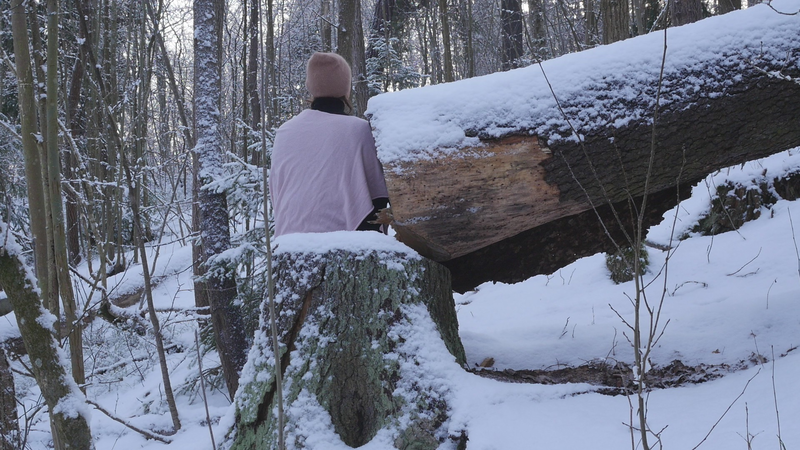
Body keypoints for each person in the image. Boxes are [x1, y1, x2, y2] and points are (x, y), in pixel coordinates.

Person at [269, 52, 389, 237]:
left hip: (288, 242)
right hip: (346, 243)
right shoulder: (359, 130)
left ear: (310, 85)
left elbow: (277, 195)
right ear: (345, 88)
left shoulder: (284, 132)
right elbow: (378, 199)